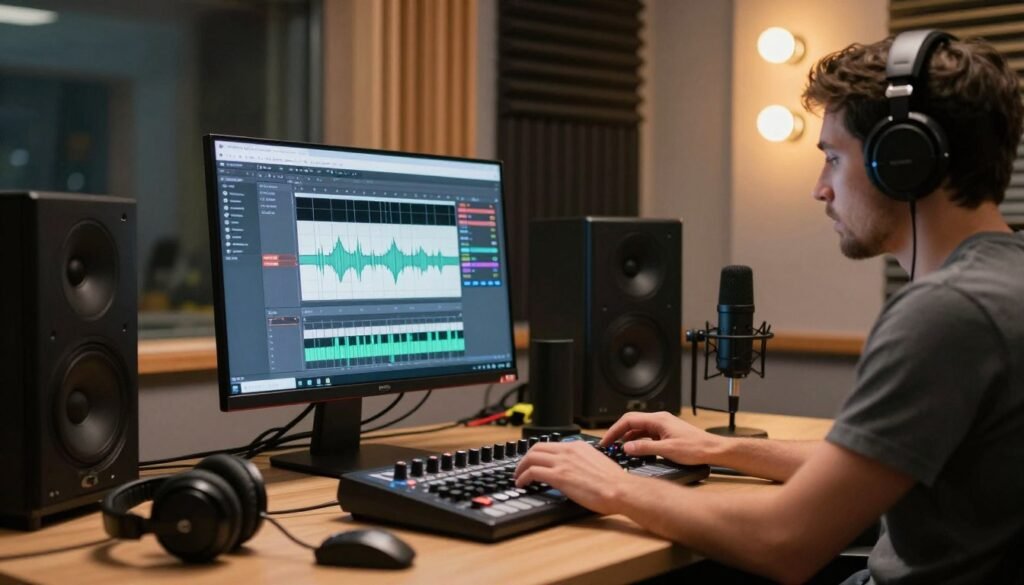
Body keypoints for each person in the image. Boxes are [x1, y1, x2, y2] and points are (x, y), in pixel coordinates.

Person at [514, 31, 1024, 585]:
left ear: (903, 160)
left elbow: (783, 541)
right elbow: (865, 466)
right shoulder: (1004, 283)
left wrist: (614, 485)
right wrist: (716, 448)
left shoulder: (947, 313)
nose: (820, 189)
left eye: (833, 158)